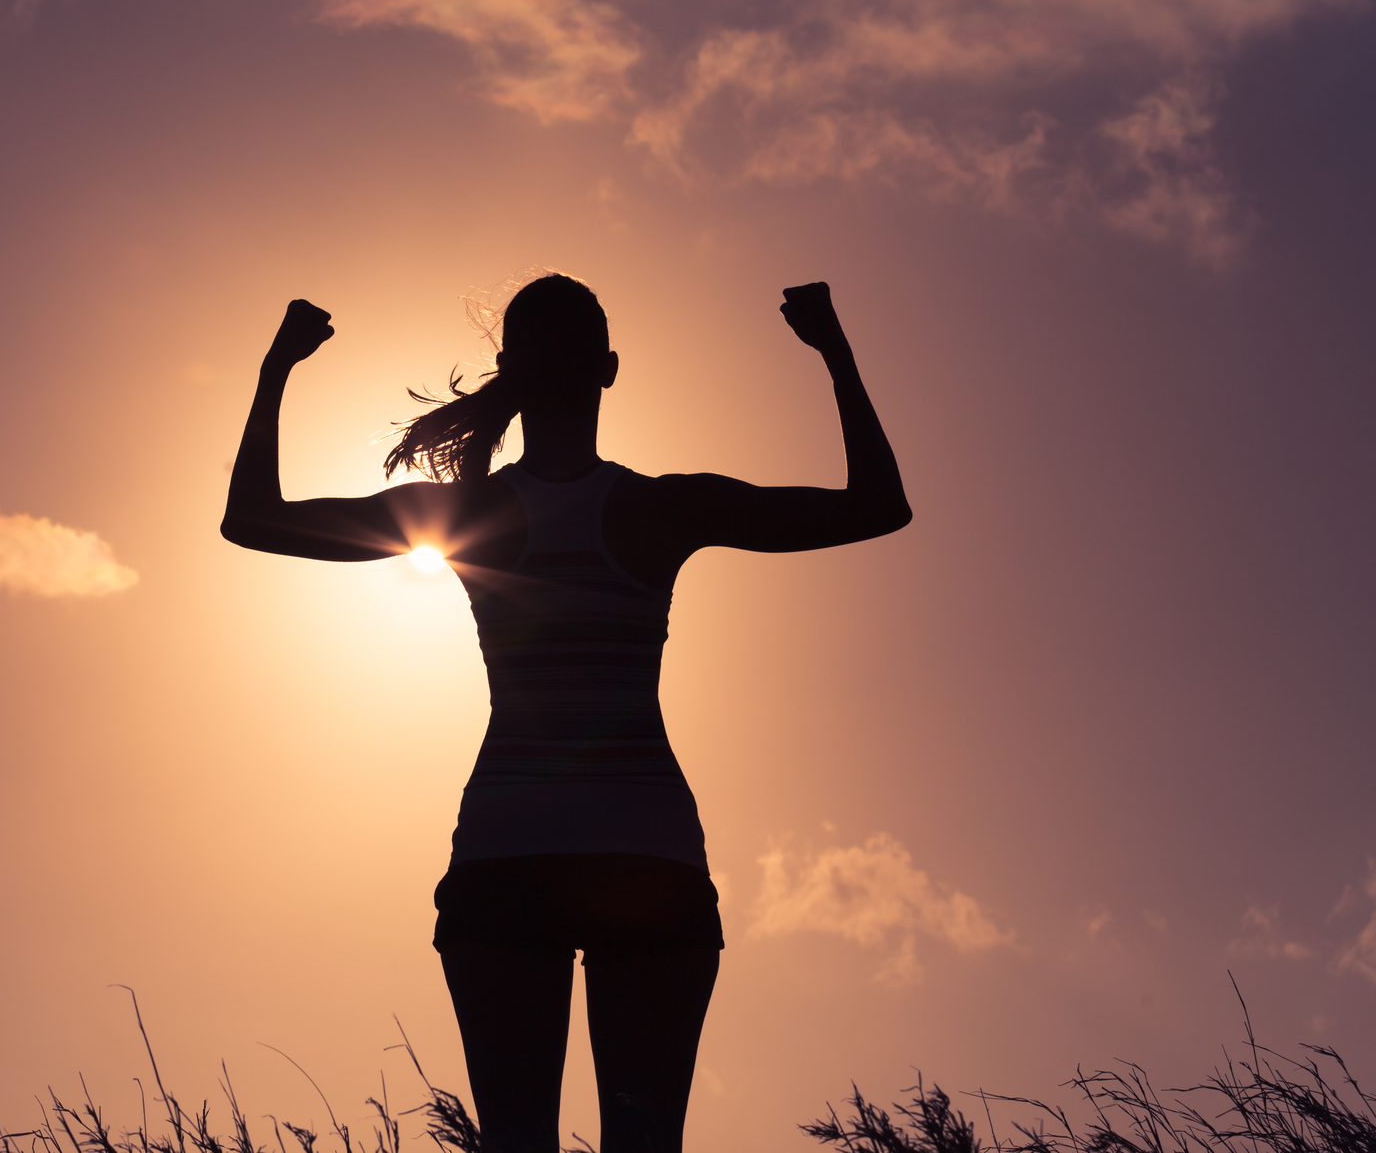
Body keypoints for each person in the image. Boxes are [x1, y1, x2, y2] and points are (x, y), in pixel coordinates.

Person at [220, 274, 911, 1153]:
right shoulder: (663, 507)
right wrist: (833, 352)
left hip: (509, 854)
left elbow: (253, 520)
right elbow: (875, 507)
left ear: (509, 368)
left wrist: (278, 367)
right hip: (645, 854)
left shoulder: (465, 512)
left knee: (517, 1149)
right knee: (643, 1144)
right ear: (609, 370)